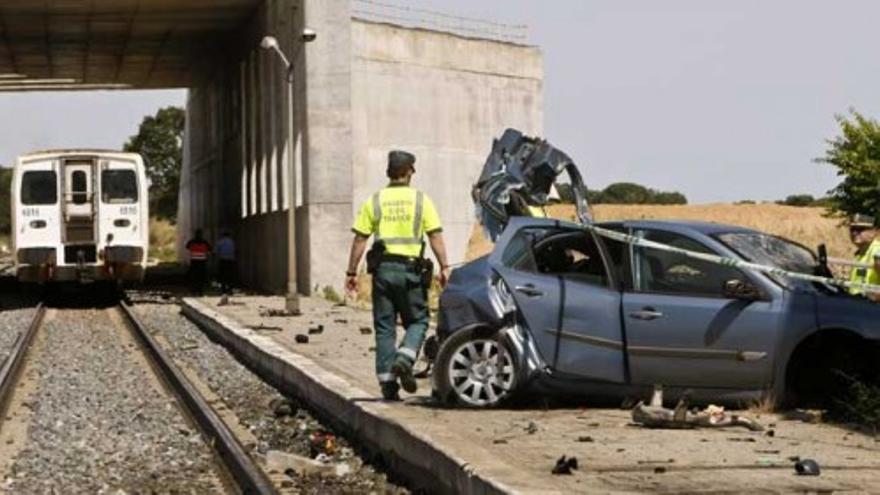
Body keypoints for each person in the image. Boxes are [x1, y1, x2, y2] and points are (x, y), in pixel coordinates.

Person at [345, 150, 450, 401]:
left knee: (384, 328)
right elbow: (434, 235)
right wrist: (444, 266)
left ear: (389, 173)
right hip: (410, 272)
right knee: (419, 321)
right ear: (409, 171)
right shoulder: (421, 201)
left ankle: (388, 386)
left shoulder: (375, 201)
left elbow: (360, 238)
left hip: (382, 272)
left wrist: (351, 272)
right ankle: (405, 357)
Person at [848, 213, 880, 300]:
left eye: (860, 229)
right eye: (852, 229)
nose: (854, 233)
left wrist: (876, 297)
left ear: (875, 232)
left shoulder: (877, 251)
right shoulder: (860, 253)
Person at [185, 228, 212, 295]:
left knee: (194, 276)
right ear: (201, 234)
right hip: (202, 261)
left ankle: (194, 290)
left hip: (194, 261)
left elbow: (187, 247)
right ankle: (200, 291)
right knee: (201, 276)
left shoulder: (191, 241)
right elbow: (210, 249)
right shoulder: (204, 242)